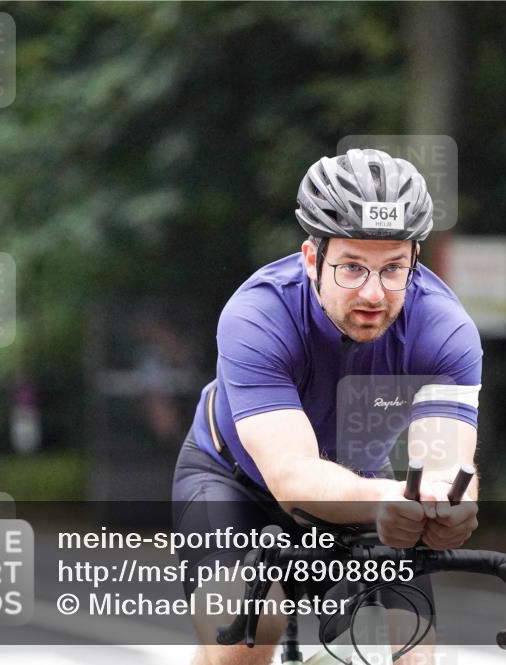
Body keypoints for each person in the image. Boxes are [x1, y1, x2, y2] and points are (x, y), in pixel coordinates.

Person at [172, 148, 482, 665]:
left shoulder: (444, 329)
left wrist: (447, 506)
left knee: (411, 652)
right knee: (250, 631)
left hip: (362, 484)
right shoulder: (258, 314)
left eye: (394, 268)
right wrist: (392, 498)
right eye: (352, 267)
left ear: (415, 260)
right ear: (312, 258)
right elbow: (292, 477)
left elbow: (448, 465)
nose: (374, 294)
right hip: (232, 482)